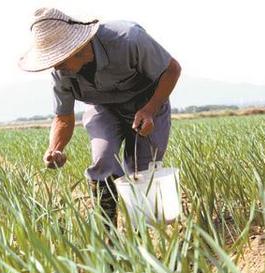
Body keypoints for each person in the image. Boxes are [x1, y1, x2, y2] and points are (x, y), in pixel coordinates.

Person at [19, 7, 181, 230]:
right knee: (103, 160)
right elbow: (64, 117)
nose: (56, 66)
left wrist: (150, 109)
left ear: (77, 47)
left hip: (147, 103)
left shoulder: (129, 39)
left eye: (59, 59)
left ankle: (146, 235)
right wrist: (55, 148)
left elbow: (172, 70)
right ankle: (109, 237)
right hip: (103, 109)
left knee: (142, 172)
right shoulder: (61, 74)